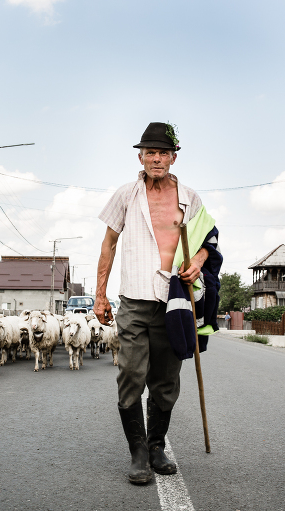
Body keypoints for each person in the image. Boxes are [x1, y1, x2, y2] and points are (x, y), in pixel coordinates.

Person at [94, 122, 209, 485]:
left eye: (163, 152)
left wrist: (198, 261)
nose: (156, 158)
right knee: (131, 372)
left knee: (166, 379)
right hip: (134, 300)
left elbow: (208, 243)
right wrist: (100, 294)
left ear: (174, 157)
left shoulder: (190, 198)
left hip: (174, 300)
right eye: (150, 152)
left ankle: (156, 447)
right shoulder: (126, 195)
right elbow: (108, 245)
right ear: (140, 156)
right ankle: (138, 453)